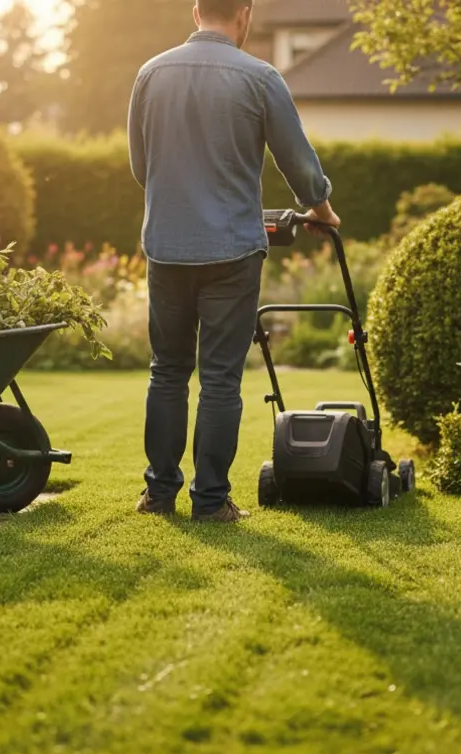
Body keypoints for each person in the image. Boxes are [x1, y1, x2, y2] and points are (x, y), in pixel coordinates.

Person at [127, 0, 337, 522]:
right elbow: (300, 165)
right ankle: (211, 502)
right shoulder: (261, 78)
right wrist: (323, 211)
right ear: (244, 15)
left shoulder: (150, 74)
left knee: (167, 372)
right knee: (220, 379)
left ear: (196, 12)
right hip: (232, 252)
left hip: (168, 249)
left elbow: (140, 166)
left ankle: (158, 495)